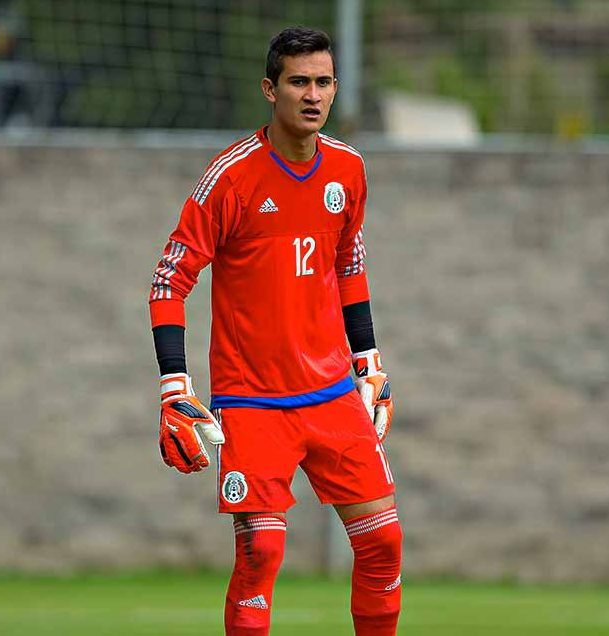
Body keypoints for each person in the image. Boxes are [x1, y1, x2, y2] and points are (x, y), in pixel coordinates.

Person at [149, 26, 400, 636]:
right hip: (253, 401)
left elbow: (350, 268)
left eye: (323, 82)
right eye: (298, 82)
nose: (312, 95)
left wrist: (367, 359)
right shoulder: (231, 177)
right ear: (270, 89)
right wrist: (174, 388)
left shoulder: (349, 169)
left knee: (384, 544)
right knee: (261, 554)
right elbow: (168, 281)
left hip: (333, 394)